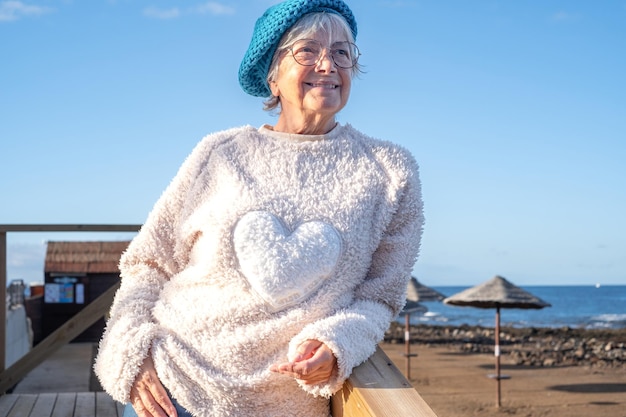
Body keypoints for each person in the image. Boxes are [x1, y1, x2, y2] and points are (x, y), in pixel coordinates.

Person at [94, 0, 424, 416]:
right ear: (273, 76)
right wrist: (130, 352)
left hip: (283, 403)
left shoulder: (390, 171)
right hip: (170, 387)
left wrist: (337, 344)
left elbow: (380, 297)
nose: (328, 64)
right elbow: (148, 264)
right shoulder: (220, 153)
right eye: (308, 51)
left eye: (342, 52)